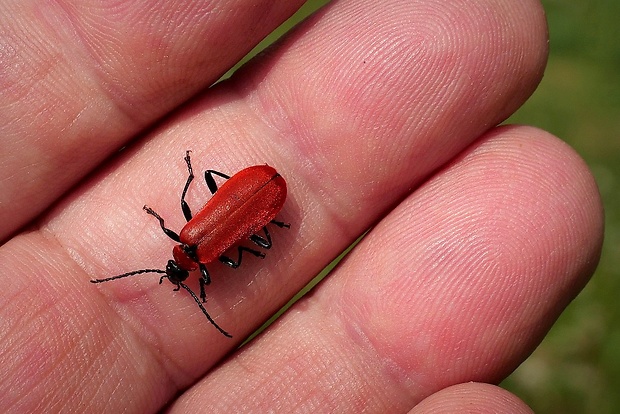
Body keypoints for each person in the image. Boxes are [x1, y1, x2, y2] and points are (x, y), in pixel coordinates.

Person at [0, 1, 603, 412]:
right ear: (187, 261)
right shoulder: (186, 235)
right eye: (182, 276)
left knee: (233, 225)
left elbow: (215, 231)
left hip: (259, 190)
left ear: (188, 262)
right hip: (257, 192)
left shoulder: (197, 246)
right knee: (224, 215)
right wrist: (217, 208)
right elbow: (199, 212)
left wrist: (243, 228)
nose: (178, 276)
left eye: (179, 274)